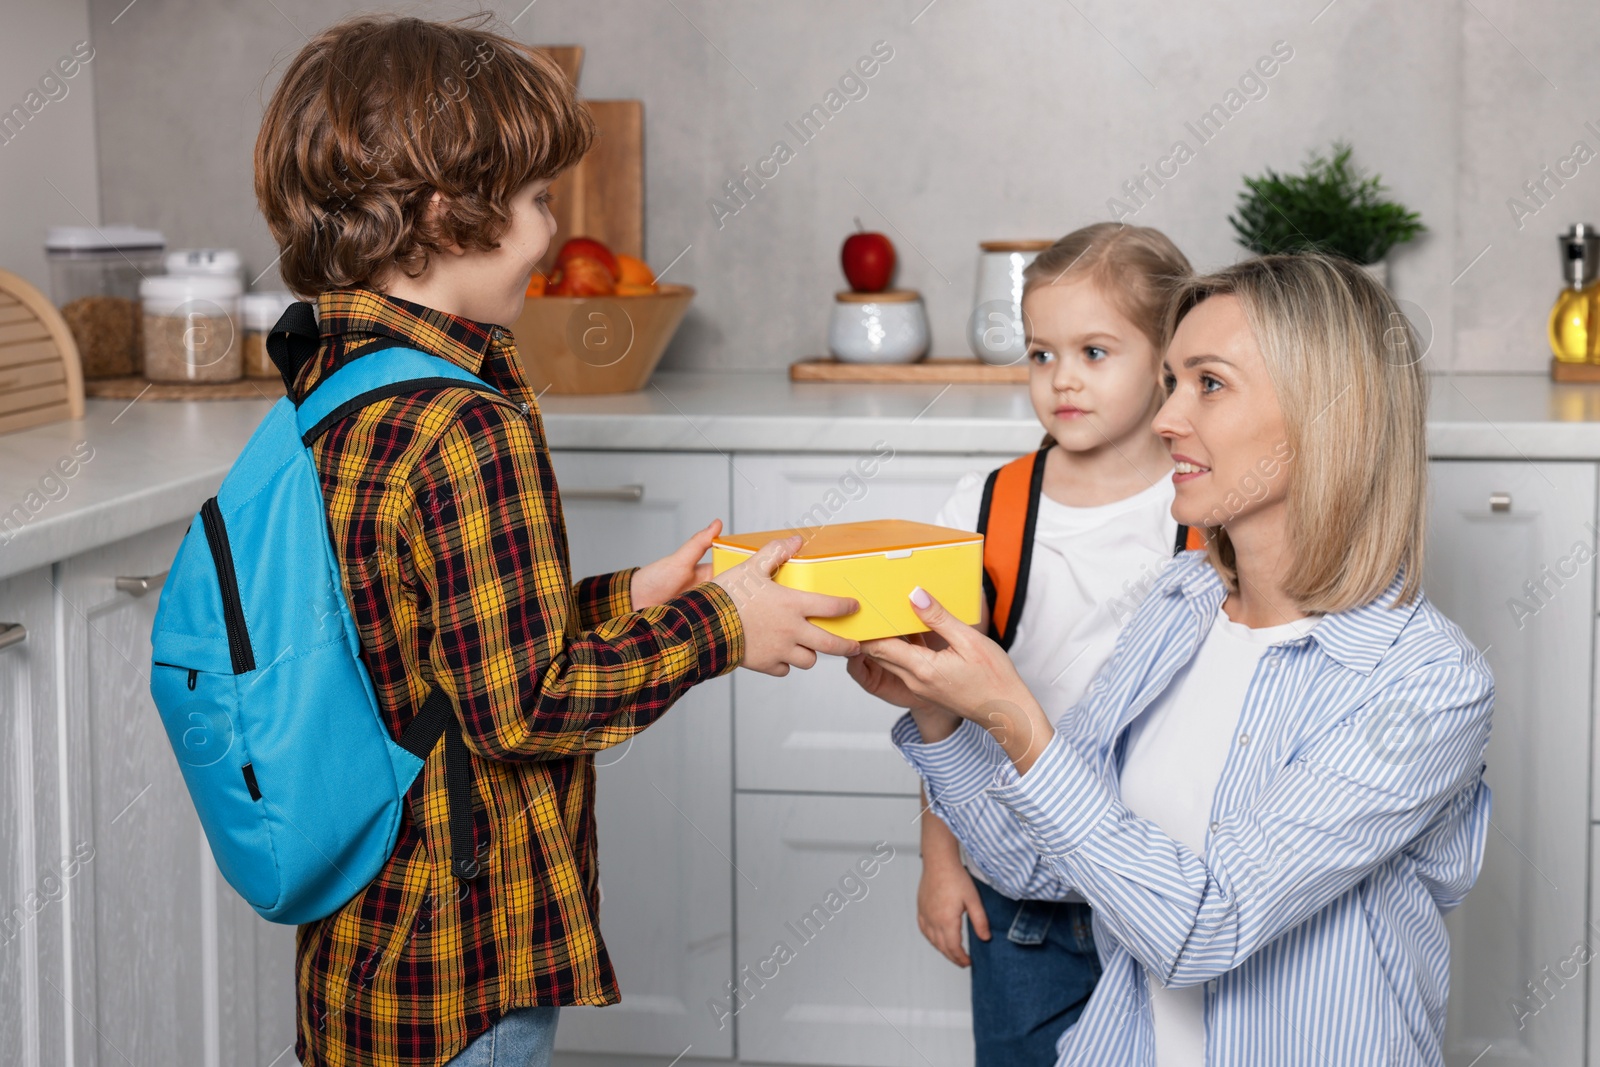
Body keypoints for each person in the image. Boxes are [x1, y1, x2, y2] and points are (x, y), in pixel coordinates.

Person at [252, 15, 859, 1067]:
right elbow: (522, 706)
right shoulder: (463, 419)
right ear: (448, 215)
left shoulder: (335, 381)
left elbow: (428, 640)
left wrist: (628, 597)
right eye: (536, 202)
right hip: (460, 967)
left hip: (365, 945)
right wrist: (718, 626)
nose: (546, 231)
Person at [853, 253, 1494, 1066]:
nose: (1164, 418)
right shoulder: (1182, 601)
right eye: (1169, 380)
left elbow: (1205, 927)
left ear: (1329, 414)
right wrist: (943, 711)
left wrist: (1015, 716)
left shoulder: (1427, 685)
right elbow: (1037, 863)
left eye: (1209, 383)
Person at [852, 224, 1191, 1064]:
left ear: (1167, 358)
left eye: (1094, 351)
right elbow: (943, 708)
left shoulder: (1200, 507)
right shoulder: (985, 505)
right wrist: (940, 861)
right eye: (1041, 354)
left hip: (1155, 889)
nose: (1062, 379)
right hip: (1014, 900)